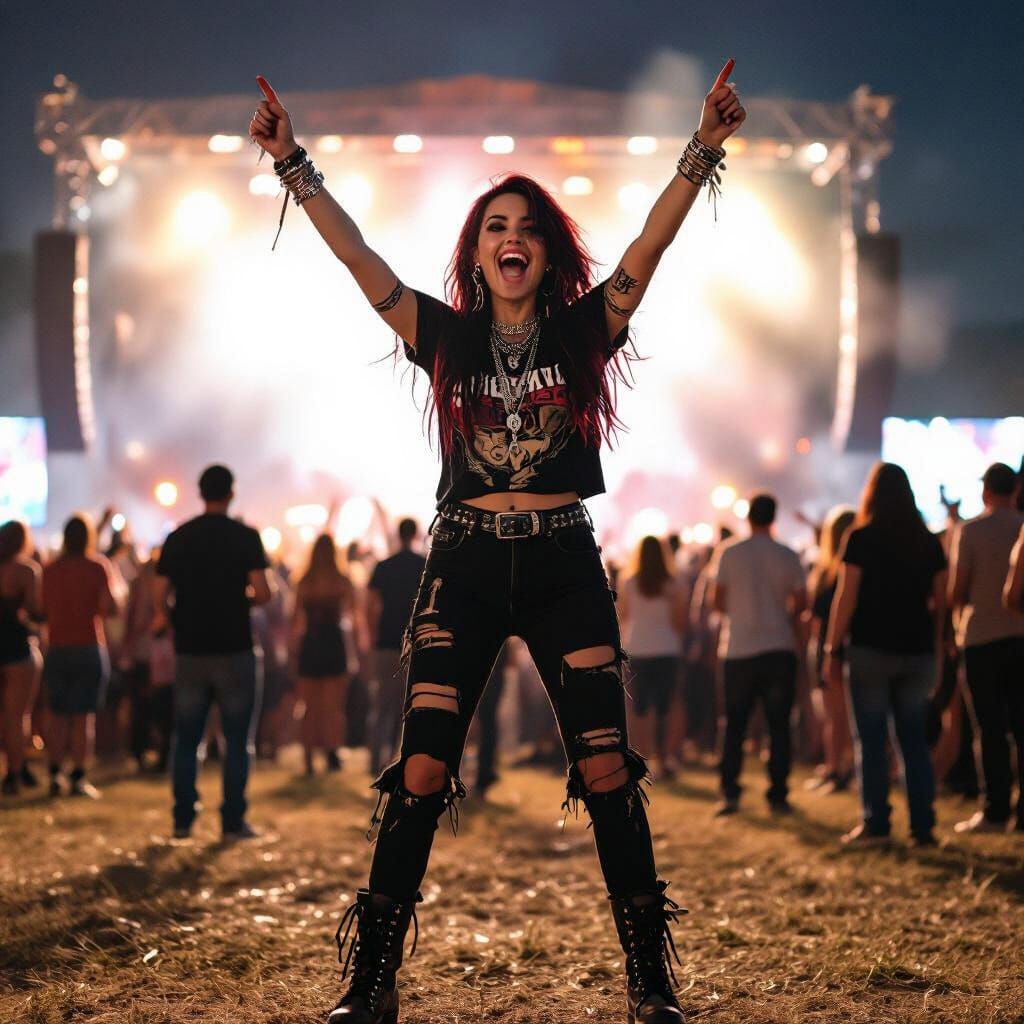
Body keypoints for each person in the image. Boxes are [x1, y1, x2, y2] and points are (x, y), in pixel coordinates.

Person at [250, 59, 746, 1024]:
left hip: (564, 562)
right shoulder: (442, 337)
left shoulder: (582, 329)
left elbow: (652, 243)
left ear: (546, 255)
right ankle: (373, 985)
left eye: (525, 228)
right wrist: (293, 163)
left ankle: (651, 989)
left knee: (607, 768)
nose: (510, 238)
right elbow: (360, 262)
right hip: (465, 563)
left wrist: (702, 149)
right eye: (494, 227)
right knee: (423, 769)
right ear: (476, 253)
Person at [825, 462, 947, 848]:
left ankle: (876, 823)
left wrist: (832, 646)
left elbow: (847, 596)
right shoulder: (928, 541)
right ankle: (923, 826)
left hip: (870, 650)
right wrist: (939, 646)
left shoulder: (860, 537)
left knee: (872, 740)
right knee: (914, 741)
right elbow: (941, 603)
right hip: (917, 652)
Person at [154, 464, 272, 840]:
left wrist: (176, 619)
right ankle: (233, 821)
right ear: (231, 493)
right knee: (238, 740)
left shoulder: (180, 536)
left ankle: (183, 820)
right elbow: (264, 592)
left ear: (200, 492)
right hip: (235, 646)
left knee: (187, 739)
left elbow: (159, 596)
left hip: (190, 649)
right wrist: (241, 602)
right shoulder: (245, 536)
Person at [708, 494, 807, 817]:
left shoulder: (729, 553)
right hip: (778, 647)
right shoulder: (788, 555)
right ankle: (777, 794)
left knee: (734, 724)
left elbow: (717, 601)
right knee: (779, 725)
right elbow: (801, 602)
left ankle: (730, 792)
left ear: (748, 517)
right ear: (773, 518)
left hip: (738, 649)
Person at [948, 463, 1024, 834]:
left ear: (985, 492)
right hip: (1021, 636)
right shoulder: (1020, 526)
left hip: (980, 638)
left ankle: (994, 810)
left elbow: (957, 590)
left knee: (989, 727)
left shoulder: (971, 531)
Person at [41, 514, 119, 798]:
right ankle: (78, 777)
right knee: (83, 717)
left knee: (58, 716)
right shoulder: (97, 567)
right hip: (88, 645)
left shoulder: (50, 570)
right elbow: (109, 606)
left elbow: (40, 608)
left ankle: (54, 773)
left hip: (57, 646)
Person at [618, 536, 688, 778]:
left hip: (637, 649)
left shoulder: (629, 582)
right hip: (666, 649)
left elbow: (623, 616)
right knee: (667, 705)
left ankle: (641, 755)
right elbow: (680, 622)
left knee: (639, 708)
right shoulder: (674, 584)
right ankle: (665, 756)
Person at [292, 533, 358, 776]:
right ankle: (332, 753)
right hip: (333, 644)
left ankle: (308, 757)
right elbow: (352, 612)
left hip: (311, 643)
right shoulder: (341, 580)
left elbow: (295, 619)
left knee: (308, 706)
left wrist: (293, 650)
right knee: (333, 707)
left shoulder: (304, 581)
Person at [365, 518, 426, 778]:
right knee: (409, 705)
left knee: (382, 704)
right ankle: (399, 757)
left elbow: (370, 606)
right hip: (415, 643)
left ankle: (374, 760)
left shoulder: (383, 566)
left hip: (386, 642)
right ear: (415, 535)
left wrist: (371, 635)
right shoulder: (424, 565)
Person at [805, 506, 856, 793]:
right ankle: (834, 766)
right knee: (836, 714)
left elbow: (816, 613)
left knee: (835, 715)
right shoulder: (846, 569)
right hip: (841, 644)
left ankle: (838, 769)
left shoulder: (827, 572)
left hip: (830, 646)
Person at [0, 520, 43, 794]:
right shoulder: (27, 570)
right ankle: (14, 773)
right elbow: (36, 610)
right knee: (18, 716)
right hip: (17, 647)